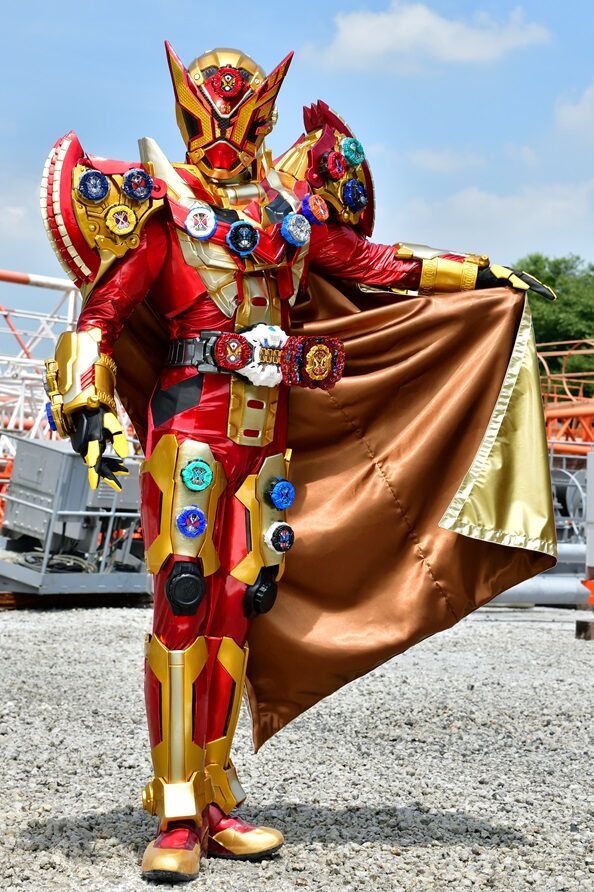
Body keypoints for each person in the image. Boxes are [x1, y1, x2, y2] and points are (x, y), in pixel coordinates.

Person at [42, 44, 557, 883]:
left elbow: (379, 265)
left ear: (266, 119)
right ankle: (176, 807)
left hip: (263, 439)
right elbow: (101, 317)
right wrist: (87, 398)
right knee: (183, 604)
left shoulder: (289, 217)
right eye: (209, 119)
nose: (224, 138)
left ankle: (216, 794)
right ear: (186, 112)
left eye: (241, 122)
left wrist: (476, 275)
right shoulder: (162, 212)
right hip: (189, 434)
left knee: (238, 609)